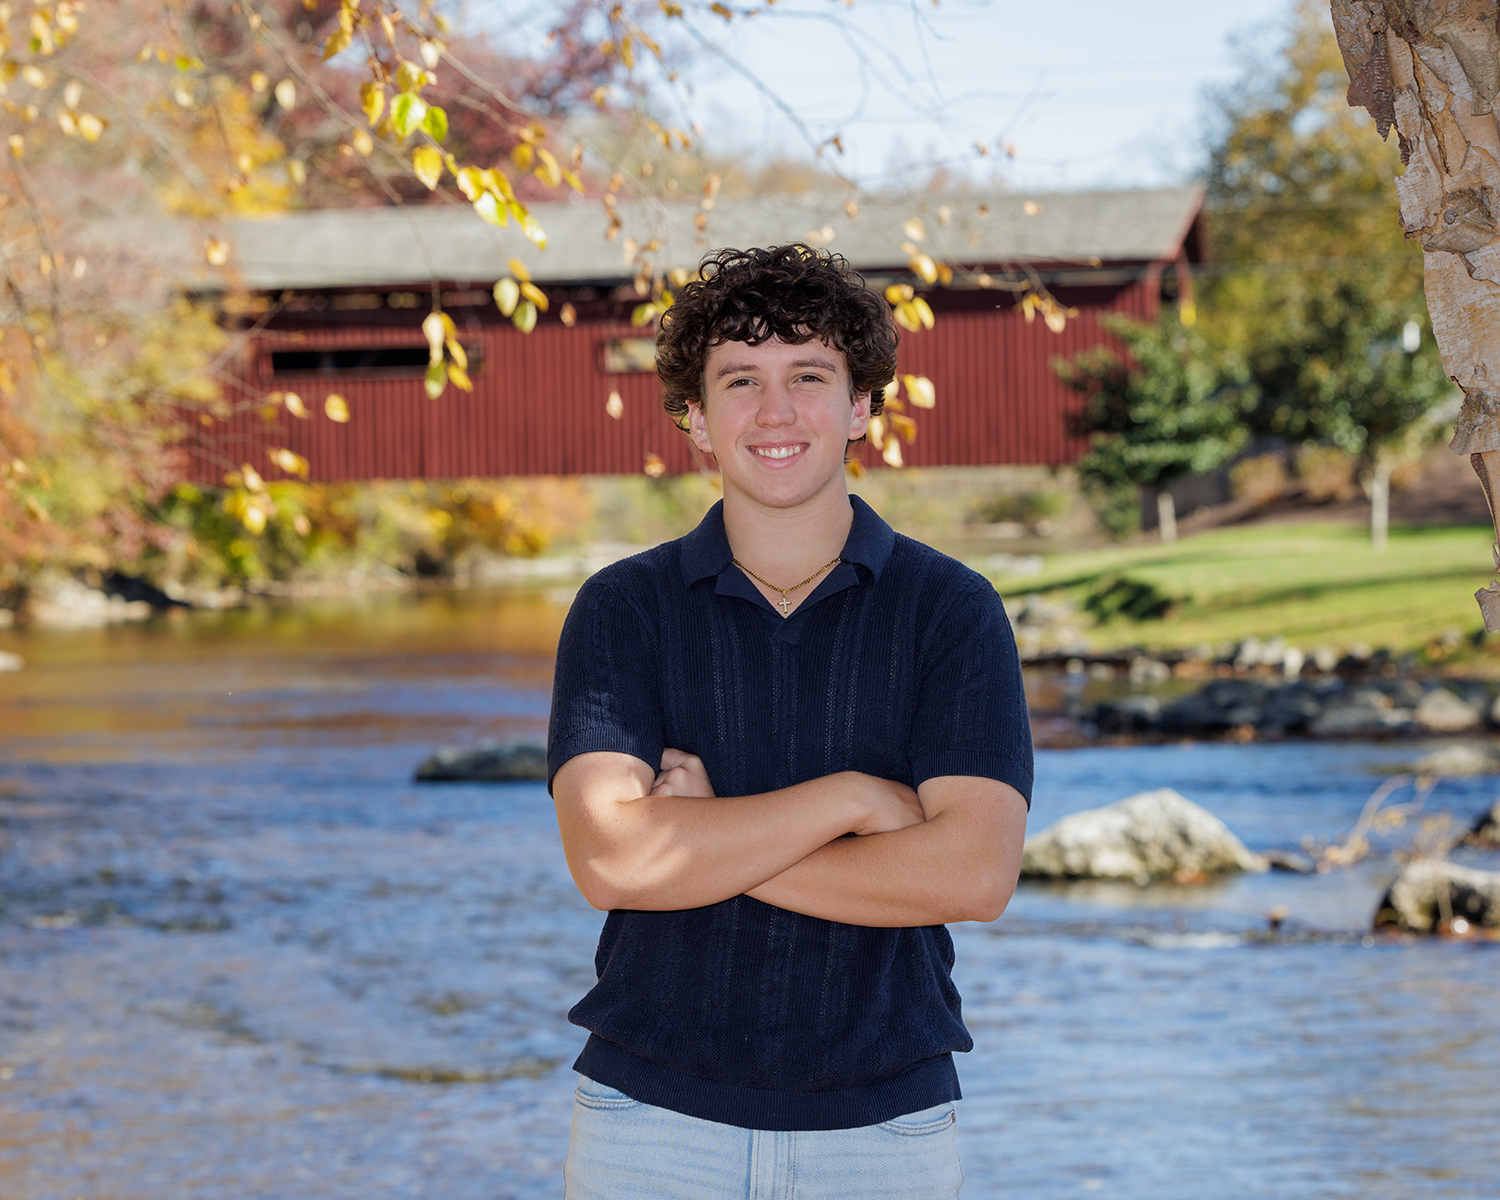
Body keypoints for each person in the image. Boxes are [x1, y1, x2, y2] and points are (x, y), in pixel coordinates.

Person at [547, 243, 1032, 1198]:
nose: (776, 411)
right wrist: (851, 800)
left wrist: (702, 836)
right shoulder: (622, 610)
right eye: (741, 380)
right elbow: (611, 862)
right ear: (696, 417)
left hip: (884, 1133)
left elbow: (975, 875)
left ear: (860, 407)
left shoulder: (950, 609)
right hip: (650, 1128)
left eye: (808, 376)